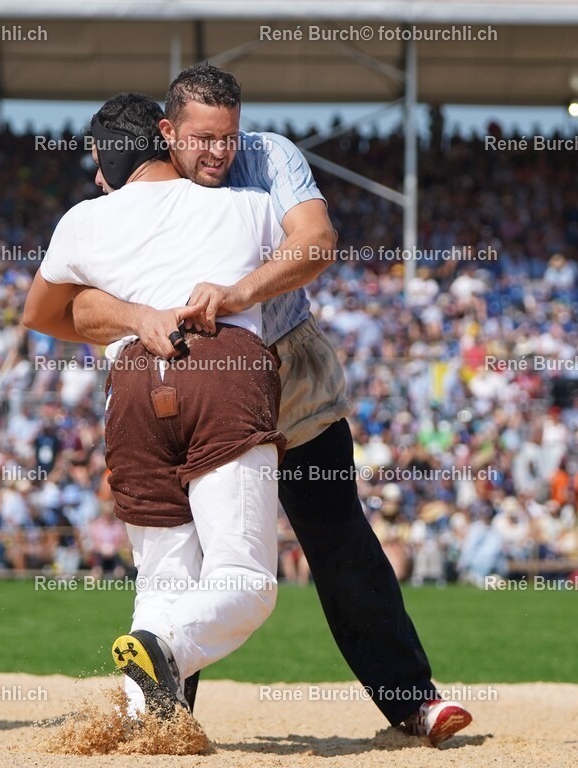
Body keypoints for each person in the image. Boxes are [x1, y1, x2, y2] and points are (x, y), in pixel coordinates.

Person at [51, 63, 472, 744]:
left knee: (337, 537)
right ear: (167, 134)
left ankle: (412, 703)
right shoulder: (145, 186)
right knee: (184, 557)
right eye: (203, 139)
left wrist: (237, 294)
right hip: (194, 377)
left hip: (287, 364)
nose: (219, 152)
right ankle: (161, 719)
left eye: (229, 136)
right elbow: (79, 304)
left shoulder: (270, 156)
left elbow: (316, 242)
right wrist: (140, 315)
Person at [24, 92, 287, 719]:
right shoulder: (247, 205)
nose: (97, 177)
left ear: (116, 156)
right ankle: (162, 648)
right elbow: (314, 248)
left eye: (98, 162)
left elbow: (41, 315)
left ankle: (143, 722)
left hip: (133, 382)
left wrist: (130, 317)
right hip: (224, 369)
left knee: (163, 580)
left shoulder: (83, 220)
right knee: (245, 581)